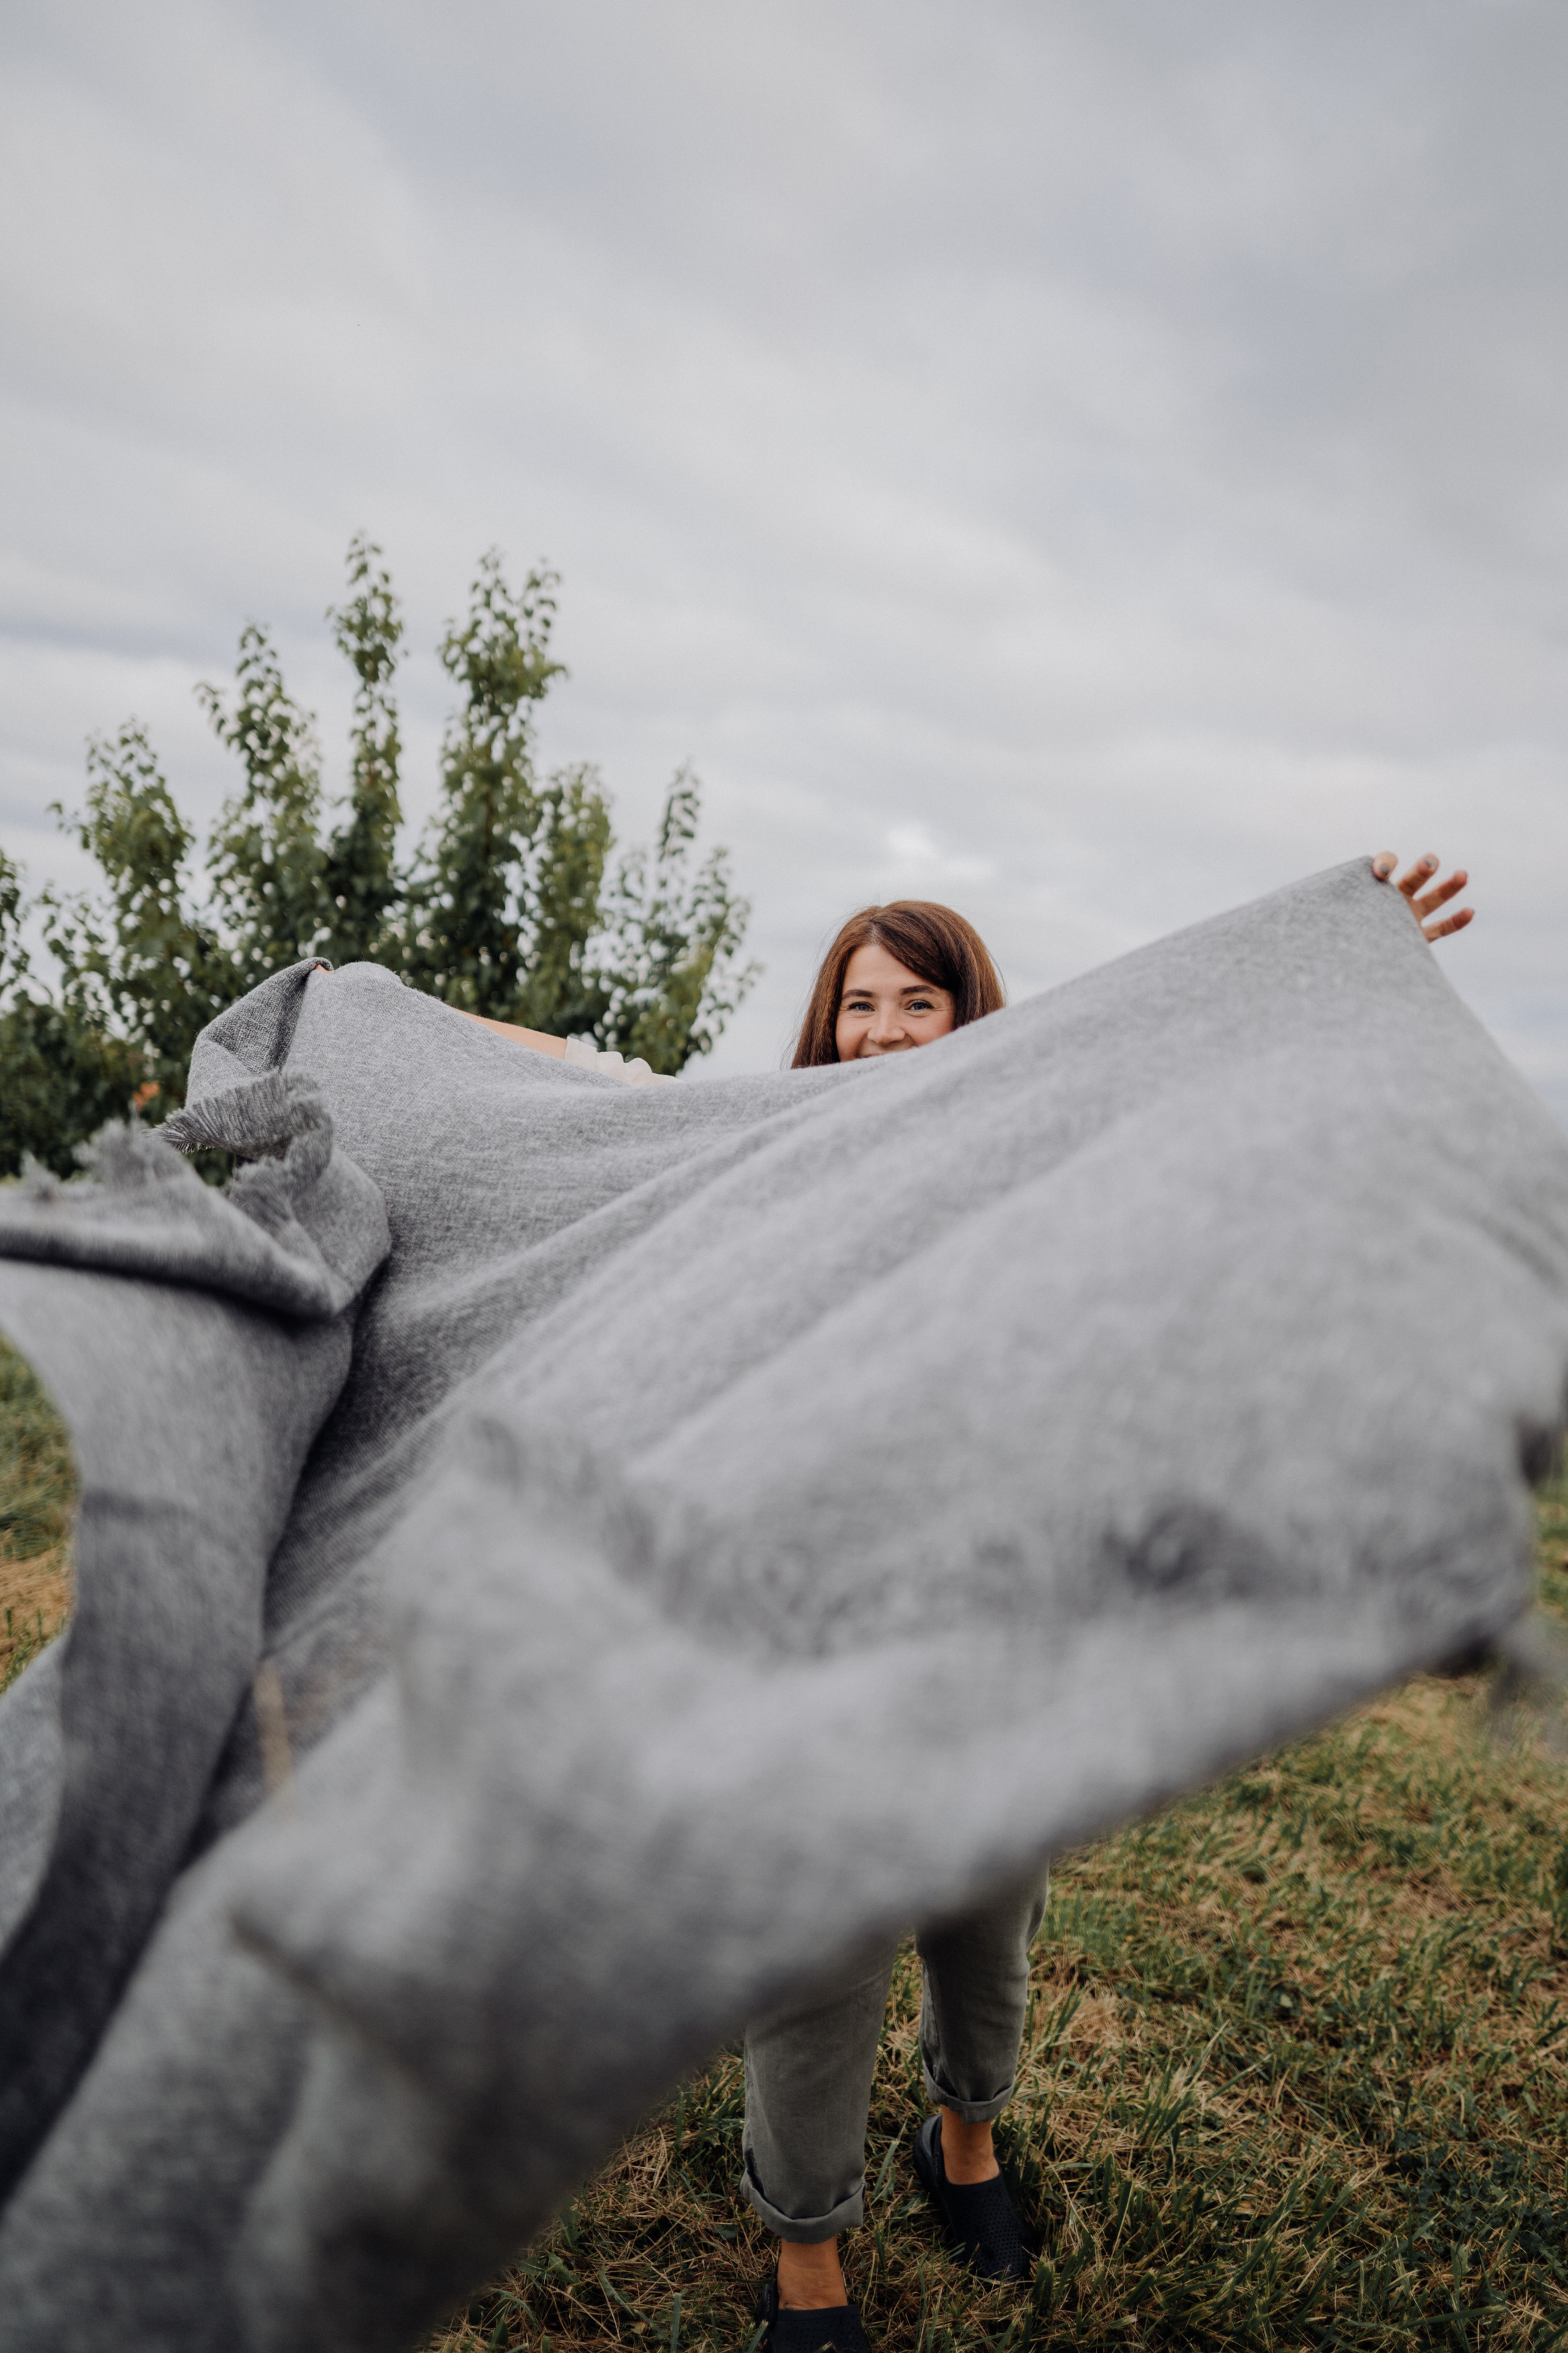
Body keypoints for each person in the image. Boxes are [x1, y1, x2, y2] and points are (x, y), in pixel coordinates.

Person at [749, 852, 1473, 2353]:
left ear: (971, 1021)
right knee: (818, 1954)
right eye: (857, 1003)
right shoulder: (758, 1162)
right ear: (825, 1026)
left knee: (985, 1926)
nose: (883, 1029)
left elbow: (1194, 1078)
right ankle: (807, 2265)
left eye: (917, 1001)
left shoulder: (1038, 1154)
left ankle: (966, 2142)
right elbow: (583, 1114)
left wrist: (1342, 955)